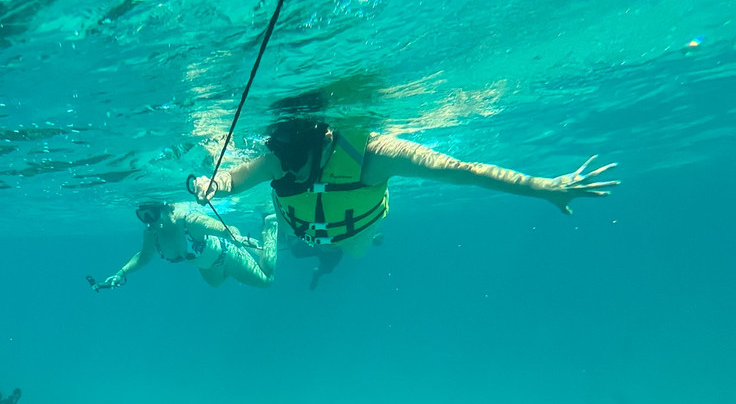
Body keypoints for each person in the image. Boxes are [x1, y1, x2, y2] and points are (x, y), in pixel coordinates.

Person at [192, 119, 619, 287]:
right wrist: (214, 184)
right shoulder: (281, 158)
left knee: (352, 252)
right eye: (279, 163)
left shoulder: (375, 154)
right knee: (294, 237)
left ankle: (360, 241)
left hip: (355, 230)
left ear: (322, 143)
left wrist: (544, 187)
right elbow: (233, 178)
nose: (285, 172)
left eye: (294, 165)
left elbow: (463, 171)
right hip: (296, 224)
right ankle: (303, 241)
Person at [96, 202, 278, 290]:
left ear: (165, 209)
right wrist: (122, 273)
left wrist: (233, 235)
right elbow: (144, 256)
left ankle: (270, 224)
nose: (147, 221)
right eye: (142, 215)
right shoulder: (152, 233)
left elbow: (223, 228)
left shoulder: (189, 222)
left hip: (226, 255)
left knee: (266, 280)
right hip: (208, 267)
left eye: (151, 214)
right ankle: (251, 245)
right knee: (216, 283)